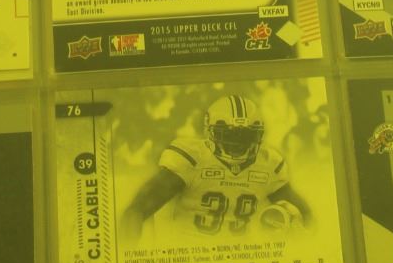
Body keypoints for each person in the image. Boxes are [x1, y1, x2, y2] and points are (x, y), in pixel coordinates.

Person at [119, 95, 312, 242]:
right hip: (187, 254)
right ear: (209, 131)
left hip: (240, 257)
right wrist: (128, 253)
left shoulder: (268, 163)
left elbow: (305, 214)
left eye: (245, 136)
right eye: (230, 135)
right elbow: (136, 211)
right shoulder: (192, 158)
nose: (238, 143)